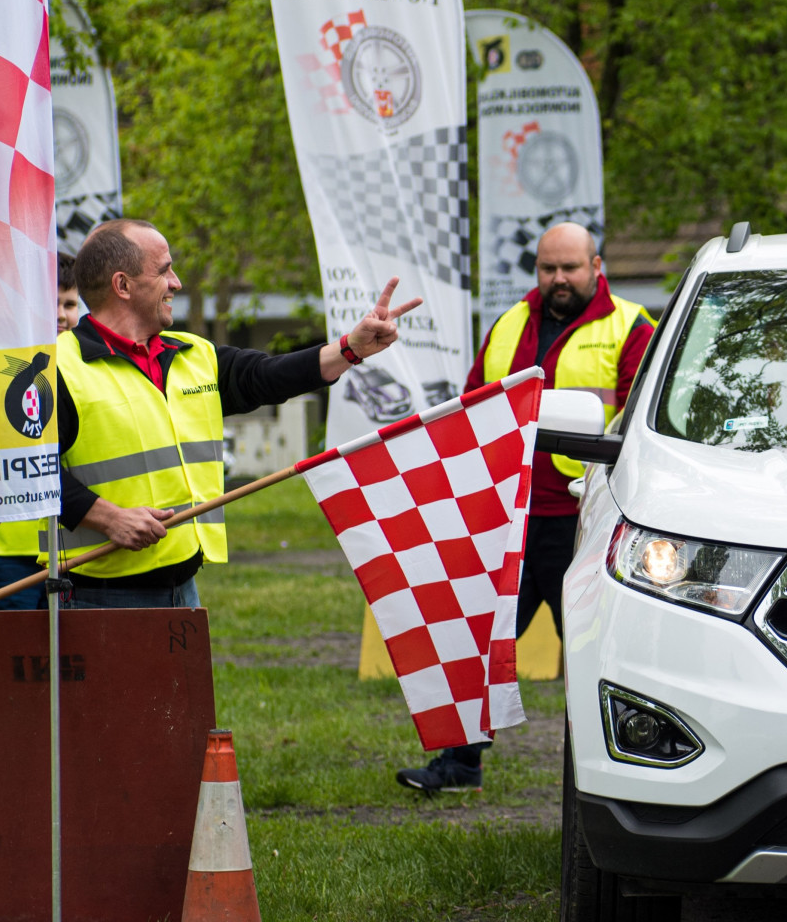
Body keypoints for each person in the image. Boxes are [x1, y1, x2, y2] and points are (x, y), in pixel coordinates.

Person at [395, 222, 654, 794]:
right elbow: (472, 410)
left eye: (570, 268)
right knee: (481, 643)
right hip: (508, 519)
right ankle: (460, 764)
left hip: (589, 524)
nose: (558, 279)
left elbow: (642, 426)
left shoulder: (632, 328)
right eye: (547, 269)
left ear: (597, 267)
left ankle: (620, 772)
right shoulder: (509, 325)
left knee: (595, 658)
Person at [51, 218, 416, 607]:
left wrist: (350, 348)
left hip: (183, 587)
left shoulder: (193, 354)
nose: (176, 282)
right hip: (95, 595)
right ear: (122, 285)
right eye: (164, 271)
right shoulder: (56, 368)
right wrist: (107, 517)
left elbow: (267, 376)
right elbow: (27, 471)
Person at [0, 255, 83, 611]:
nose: (60, 314)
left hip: (71, 549)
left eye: (69, 304)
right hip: (5, 552)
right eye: (51, 302)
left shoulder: (87, 367)